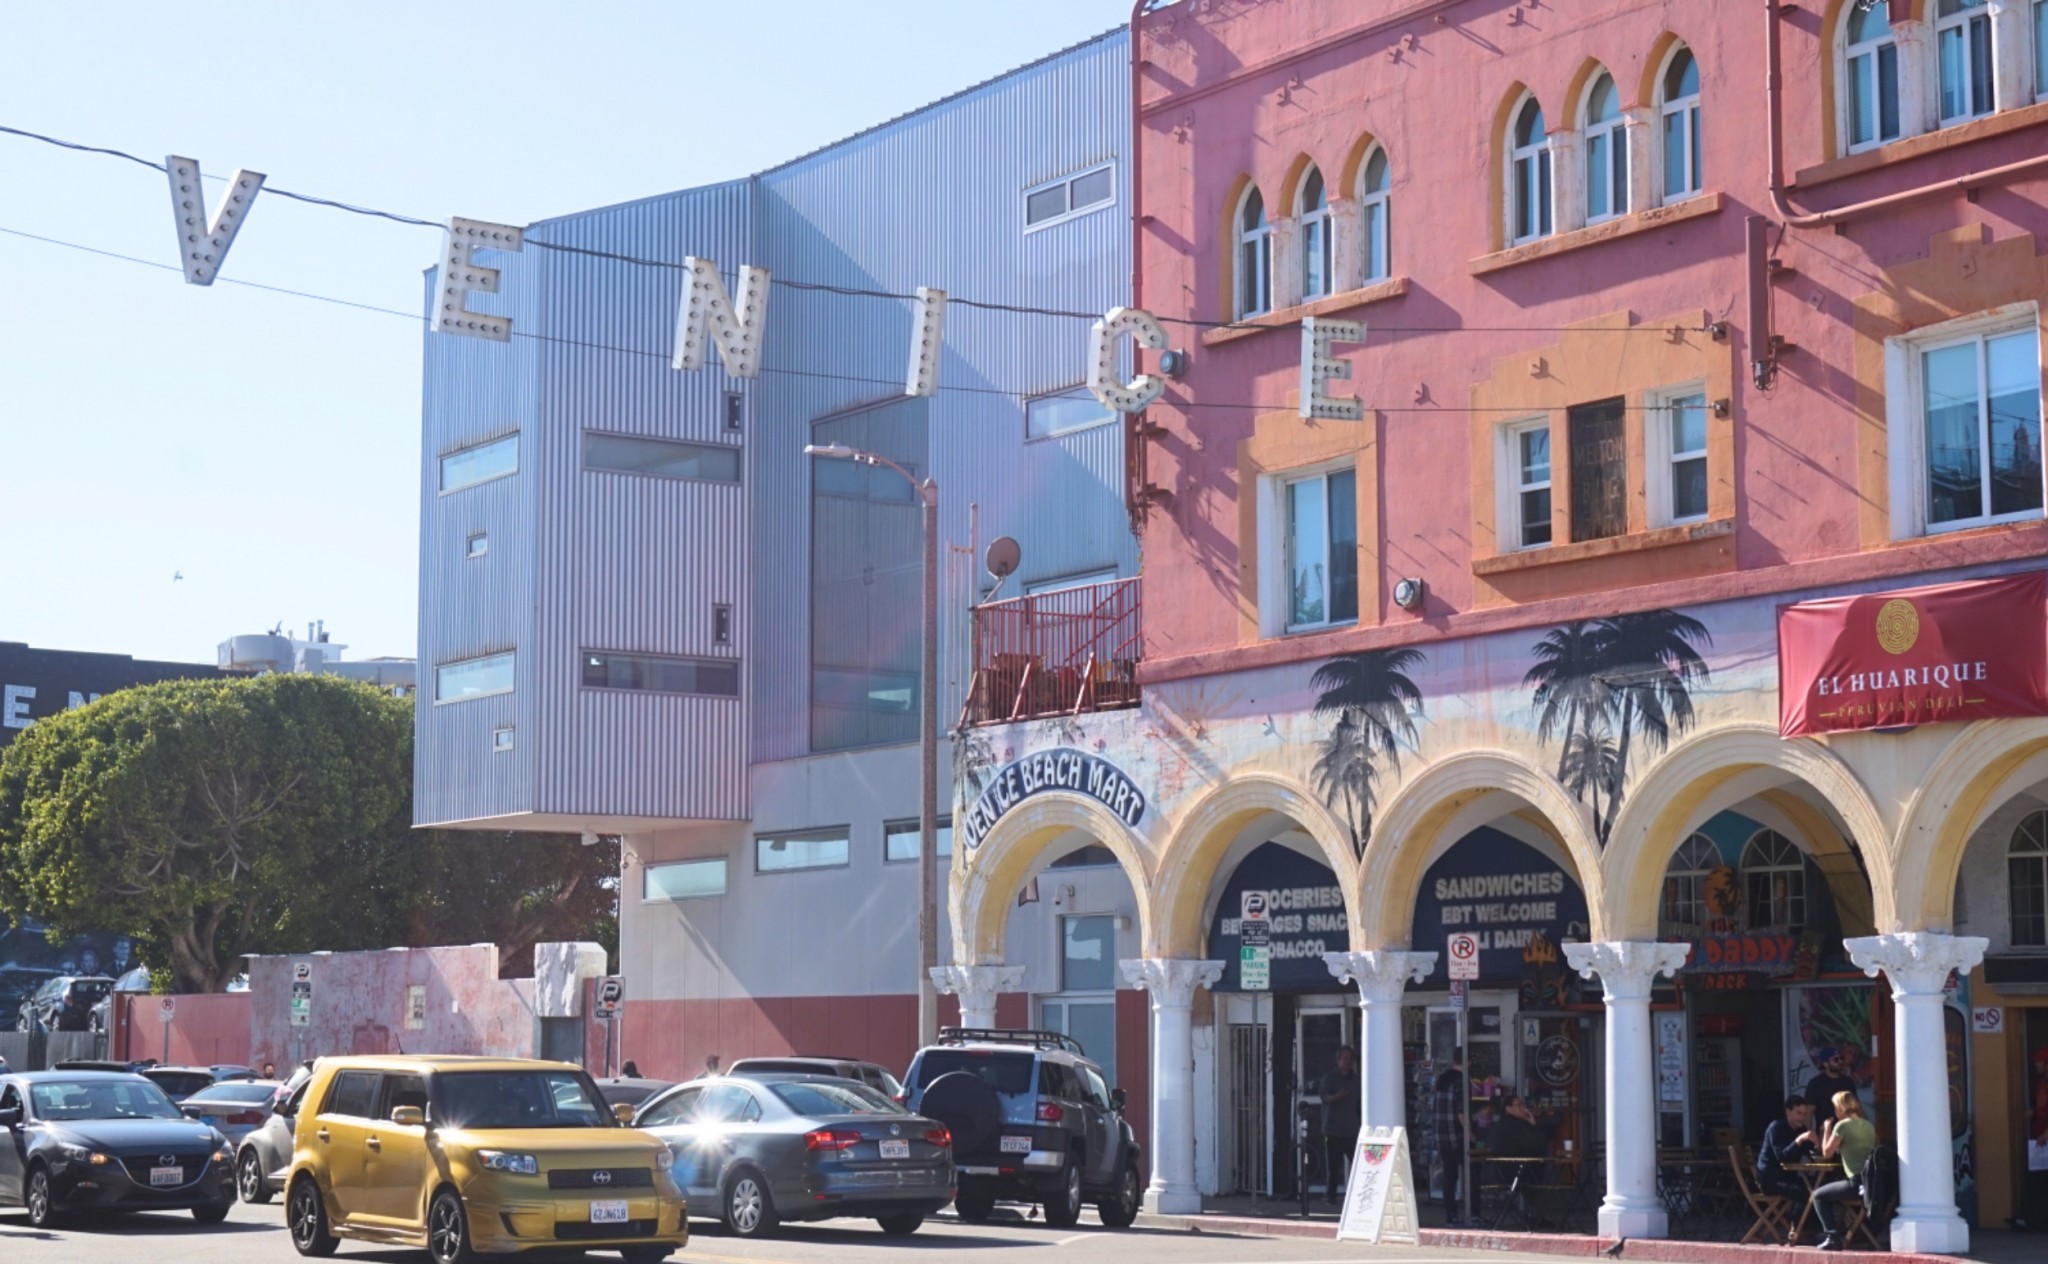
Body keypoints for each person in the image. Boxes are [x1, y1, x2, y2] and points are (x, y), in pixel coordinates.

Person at [1809, 1090, 1876, 1250]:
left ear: (1840, 1107)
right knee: (1832, 1193)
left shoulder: (1842, 1125)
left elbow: (1827, 1153)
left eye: (1835, 1107)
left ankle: (1832, 1236)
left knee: (1817, 1195)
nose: (1834, 1111)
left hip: (1855, 1183)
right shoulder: (1868, 1125)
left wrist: (1826, 1129)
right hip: (1870, 1183)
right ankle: (1843, 1231)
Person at [1318, 1046, 1361, 1205]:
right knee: (1333, 1167)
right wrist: (1337, 1097)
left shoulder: (1356, 1080)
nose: (1348, 1062)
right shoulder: (1329, 1078)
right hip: (1333, 1130)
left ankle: (1359, 1196)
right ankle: (1331, 1196)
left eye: (1350, 1059)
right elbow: (1324, 1097)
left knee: (1358, 1164)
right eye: (1345, 1058)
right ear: (1338, 1060)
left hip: (1351, 1130)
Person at [1756, 1094, 1819, 1201]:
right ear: (1788, 1112)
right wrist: (1799, 1140)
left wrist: (1820, 1138)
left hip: (1789, 1176)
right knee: (1806, 1194)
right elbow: (1782, 1157)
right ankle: (1797, 1213)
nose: (1802, 1117)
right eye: (1799, 1113)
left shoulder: (1801, 1129)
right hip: (1770, 1179)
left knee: (1818, 1189)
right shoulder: (1776, 1128)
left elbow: (1811, 1151)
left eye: (1804, 1114)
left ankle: (1801, 1213)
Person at [1433, 1048, 1468, 1224]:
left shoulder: (1442, 1080)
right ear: (1467, 1062)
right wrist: (1470, 1133)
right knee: (1471, 1173)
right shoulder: (1461, 1081)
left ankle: (1451, 1214)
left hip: (1442, 1135)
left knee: (1449, 1176)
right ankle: (1473, 1213)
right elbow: (1461, 1112)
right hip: (1457, 1135)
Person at [1804, 1048, 1858, 1127]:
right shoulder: (1816, 1084)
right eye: (1836, 1060)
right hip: (1826, 1130)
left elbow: (1857, 1107)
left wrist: (1864, 1126)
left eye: (1841, 1058)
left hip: (1848, 1130)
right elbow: (1809, 1112)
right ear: (1825, 1064)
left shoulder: (1848, 1081)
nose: (1840, 1062)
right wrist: (1809, 1133)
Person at [1484, 1093, 1549, 1158]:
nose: (1524, 1108)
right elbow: (1537, 1146)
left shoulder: (1499, 1124)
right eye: (1519, 1105)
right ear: (1508, 1108)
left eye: (1523, 1105)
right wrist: (1534, 1125)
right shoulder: (1515, 1125)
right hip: (1514, 1162)